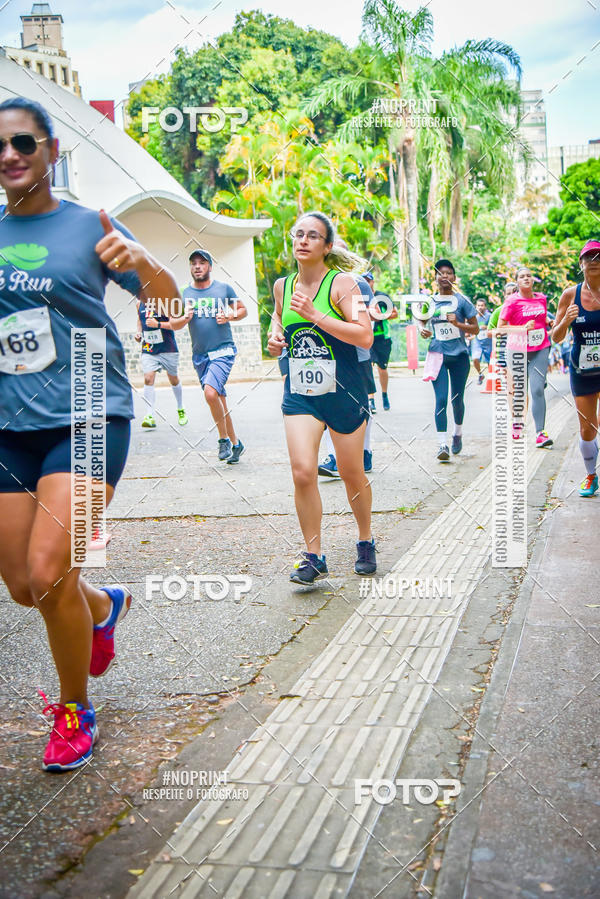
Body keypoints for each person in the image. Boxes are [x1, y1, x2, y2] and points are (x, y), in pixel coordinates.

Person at [0, 97, 180, 771]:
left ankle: (74, 710)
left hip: (87, 412)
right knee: (24, 585)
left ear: (50, 151)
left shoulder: (91, 225)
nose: (10, 155)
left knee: (50, 574)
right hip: (8, 424)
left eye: (24, 142)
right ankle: (103, 607)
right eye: (0, 146)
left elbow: (171, 310)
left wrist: (146, 262)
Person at [267, 211, 376, 582]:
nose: (303, 240)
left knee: (351, 472)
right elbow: (279, 318)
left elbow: (365, 336)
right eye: (298, 234)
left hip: (344, 392)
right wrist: (275, 338)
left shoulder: (344, 284)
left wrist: (316, 315)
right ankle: (313, 555)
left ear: (327, 246)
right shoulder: (282, 286)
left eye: (313, 235)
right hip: (302, 393)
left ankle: (365, 540)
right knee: (302, 472)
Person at [176, 250, 247, 462]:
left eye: (202, 262)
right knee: (219, 400)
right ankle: (236, 444)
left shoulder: (223, 288)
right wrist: (184, 318)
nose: (197, 266)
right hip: (200, 356)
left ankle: (223, 440)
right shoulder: (183, 293)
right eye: (193, 263)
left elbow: (242, 310)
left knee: (210, 393)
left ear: (210, 266)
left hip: (223, 350)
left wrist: (230, 315)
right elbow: (174, 323)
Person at [319, 253, 375, 477]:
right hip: (326, 355)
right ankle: (333, 457)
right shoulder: (312, 282)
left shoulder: (358, 283)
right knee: (325, 404)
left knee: (361, 405)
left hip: (357, 354)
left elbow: (370, 316)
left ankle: (365, 452)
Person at [551, 239, 600, 496]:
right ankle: (591, 475)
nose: (594, 262)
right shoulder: (571, 295)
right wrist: (565, 321)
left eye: (598, 257)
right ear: (581, 264)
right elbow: (555, 337)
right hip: (583, 371)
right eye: (589, 258)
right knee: (587, 428)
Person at [418, 259, 478, 461]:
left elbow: (475, 329)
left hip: (459, 356)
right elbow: (421, 320)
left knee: (457, 399)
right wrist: (422, 329)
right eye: (440, 273)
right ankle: (442, 444)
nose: (444, 276)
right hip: (438, 355)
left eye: (448, 273)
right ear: (435, 278)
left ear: (454, 277)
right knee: (441, 399)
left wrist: (459, 324)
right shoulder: (430, 302)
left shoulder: (462, 301)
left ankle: (457, 433)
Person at [497, 266, 553, 446]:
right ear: (517, 281)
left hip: (540, 348)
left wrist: (549, 321)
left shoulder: (541, 298)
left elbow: (541, 317)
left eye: (529, 275)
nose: (526, 278)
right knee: (520, 390)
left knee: (537, 390)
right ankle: (517, 423)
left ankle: (540, 433)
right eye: (522, 276)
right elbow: (500, 328)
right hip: (517, 350)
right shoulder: (512, 301)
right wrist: (522, 328)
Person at [135, 299, 188, 428]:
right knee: (148, 378)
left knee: (173, 379)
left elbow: (174, 325)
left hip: (167, 347)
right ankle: (149, 415)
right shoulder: (139, 303)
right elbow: (140, 319)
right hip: (149, 347)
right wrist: (138, 333)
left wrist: (157, 324)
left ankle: (180, 408)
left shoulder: (164, 302)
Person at [364, 271, 397, 411]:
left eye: (368, 280)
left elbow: (395, 313)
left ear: (372, 282)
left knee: (382, 368)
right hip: (367, 338)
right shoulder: (360, 297)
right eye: (364, 280)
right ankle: (371, 400)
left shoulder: (382, 297)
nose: (366, 283)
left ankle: (384, 395)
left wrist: (380, 316)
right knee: (368, 366)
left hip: (382, 338)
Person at [471, 299, 493, 384]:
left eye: (482, 305)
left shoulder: (489, 316)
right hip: (477, 341)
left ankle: (491, 379)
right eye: (478, 305)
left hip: (488, 341)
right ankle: (480, 374)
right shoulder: (474, 317)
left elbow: (495, 327)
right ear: (476, 307)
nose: (480, 307)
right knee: (475, 358)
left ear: (485, 307)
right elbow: (471, 328)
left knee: (490, 361)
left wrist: (486, 327)